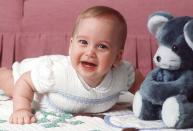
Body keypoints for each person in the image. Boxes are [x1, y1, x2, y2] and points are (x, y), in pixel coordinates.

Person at [0, 6, 144, 124]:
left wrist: (147, 96)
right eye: (83, 42)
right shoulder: (57, 73)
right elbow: (25, 81)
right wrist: (21, 109)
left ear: (117, 57)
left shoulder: (122, 74)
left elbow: (136, 79)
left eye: (102, 46)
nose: (90, 52)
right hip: (33, 74)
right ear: (71, 45)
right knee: (11, 84)